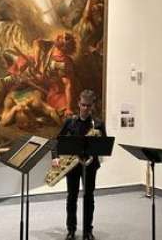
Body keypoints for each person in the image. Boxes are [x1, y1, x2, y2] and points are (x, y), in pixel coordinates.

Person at [51, 89, 106, 240]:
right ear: (78, 104)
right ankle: (71, 230)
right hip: (73, 166)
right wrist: (54, 157)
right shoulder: (70, 121)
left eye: (89, 106)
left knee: (89, 197)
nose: (86, 109)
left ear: (93, 105)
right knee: (72, 197)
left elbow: (103, 146)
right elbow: (57, 141)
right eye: (83, 105)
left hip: (90, 165)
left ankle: (88, 231)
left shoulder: (98, 124)